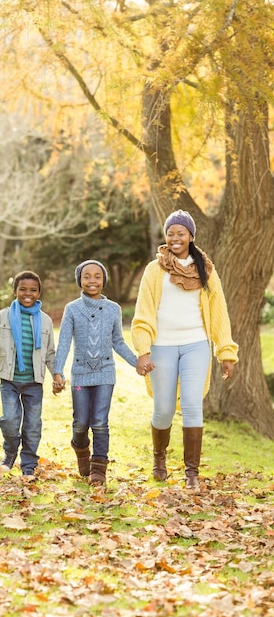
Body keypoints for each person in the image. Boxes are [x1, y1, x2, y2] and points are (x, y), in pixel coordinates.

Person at [131, 209, 238, 491]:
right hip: (161, 346)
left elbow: (219, 313)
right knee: (164, 409)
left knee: (192, 404)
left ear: (191, 236)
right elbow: (142, 313)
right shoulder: (154, 271)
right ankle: (159, 458)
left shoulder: (206, 269)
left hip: (196, 345)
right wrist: (143, 350)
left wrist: (225, 352)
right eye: (170, 233)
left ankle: (192, 473)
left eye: (180, 233)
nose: (175, 238)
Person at [53, 260, 137, 486]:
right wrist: (57, 371)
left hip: (105, 373)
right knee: (81, 422)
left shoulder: (113, 310)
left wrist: (136, 362)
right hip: (80, 374)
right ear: (79, 279)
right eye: (87, 276)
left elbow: (118, 342)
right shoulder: (72, 309)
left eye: (97, 276)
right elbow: (63, 342)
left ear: (104, 280)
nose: (92, 280)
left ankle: (99, 468)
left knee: (99, 421)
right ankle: (81, 450)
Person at [0, 270, 57, 479]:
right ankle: (10, 451)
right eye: (22, 289)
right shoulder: (4, 315)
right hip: (9, 380)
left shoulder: (46, 321)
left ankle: (29, 463)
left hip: (34, 382)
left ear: (39, 293)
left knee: (32, 426)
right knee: (10, 421)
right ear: (15, 291)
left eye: (33, 290)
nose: (27, 294)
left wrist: (56, 375)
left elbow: (50, 353)